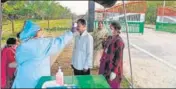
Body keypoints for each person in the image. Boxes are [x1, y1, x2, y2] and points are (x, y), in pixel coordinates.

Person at [12, 20, 76, 88]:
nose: (42, 30)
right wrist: (71, 32)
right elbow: (59, 42)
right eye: (39, 29)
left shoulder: (21, 46)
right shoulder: (41, 44)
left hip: (22, 80)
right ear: (35, 32)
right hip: (36, 80)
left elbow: (18, 61)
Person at [99, 21, 124, 88]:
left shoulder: (119, 41)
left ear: (116, 29)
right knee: (103, 85)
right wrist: (103, 42)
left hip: (112, 68)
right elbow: (105, 47)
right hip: (105, 66)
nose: (109, 30)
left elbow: (118, 58)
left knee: (112, 85)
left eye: (111, 28)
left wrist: (114, 71)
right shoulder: (110, 38)